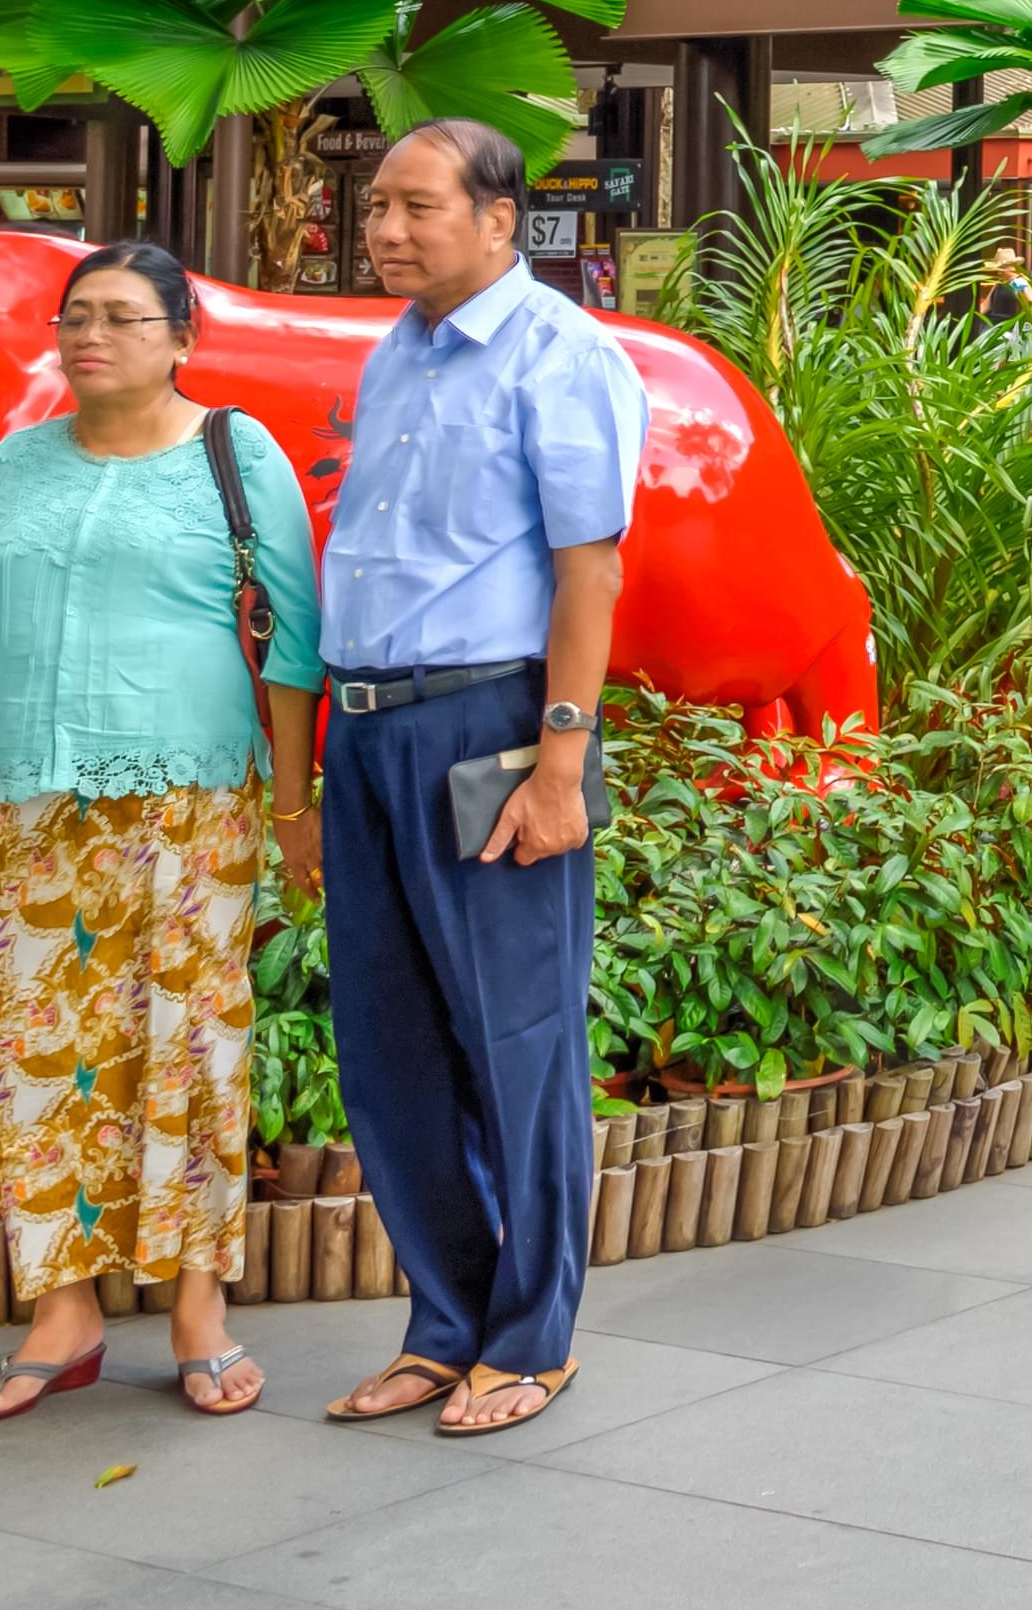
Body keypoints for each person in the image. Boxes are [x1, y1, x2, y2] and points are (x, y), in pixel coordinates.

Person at [0, 241, 323, 1422]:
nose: (92, 336)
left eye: (125, 318)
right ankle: (64, 1307)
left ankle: (198, 1300)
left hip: (187, 801)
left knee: (191, 1044)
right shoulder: (16, 462)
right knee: (37, 1060)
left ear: (182, 338)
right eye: (76, 316)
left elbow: (293, 646)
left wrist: (292, 810)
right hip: (20, 803)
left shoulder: (233, 453)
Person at [317, 120, 643, 1437]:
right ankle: (444, 1321)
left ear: (500, 221)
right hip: (367, 729)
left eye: (417, 207)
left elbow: (591, 569)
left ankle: (533, 1332)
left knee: (519, 1037)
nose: (386, 229)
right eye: (376, 205)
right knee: (390, 1043)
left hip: (493, 724)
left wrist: (560, 759)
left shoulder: (562, 354)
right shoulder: (392, 356)